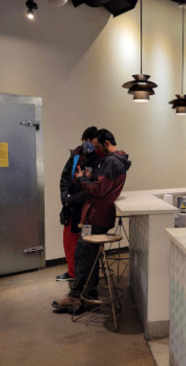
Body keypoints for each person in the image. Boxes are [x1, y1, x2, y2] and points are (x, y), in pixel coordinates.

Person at [53, 129, 131, 312]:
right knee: (87, 258)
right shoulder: (115, 161)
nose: (95, 149)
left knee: (83, 257)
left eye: (96, 145)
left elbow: (99, 190)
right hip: (95, 216)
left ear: (105, 143)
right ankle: (87, 296)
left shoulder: (112, 162)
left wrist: (82, 180)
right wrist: (88, 179)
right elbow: (99, 183)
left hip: (97, 216)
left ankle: (76, 298)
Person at [56, 126, 103, 282]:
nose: (87, 143)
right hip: (70, 207)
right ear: (82, 140)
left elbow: (95, 187)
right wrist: (65, 197)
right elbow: (64, 178)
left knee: (85, 246)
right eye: (85, 140)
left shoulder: (99, 160)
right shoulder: (75, 155)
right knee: (69, 242)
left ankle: (83, 278)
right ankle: (72, 273)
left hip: (87, 210)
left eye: (91, 141)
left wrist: (74, 198)